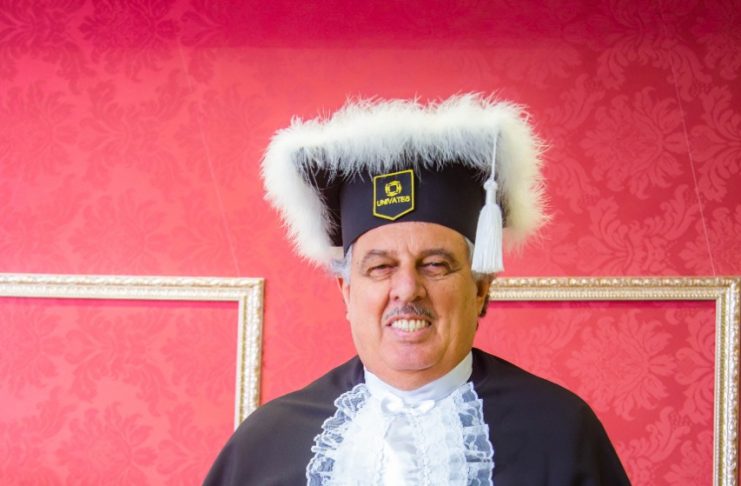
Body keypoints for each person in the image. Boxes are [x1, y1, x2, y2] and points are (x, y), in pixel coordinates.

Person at [204, 94, 631, 485]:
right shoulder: (267, 443)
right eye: (380, 268)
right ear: (346, 292)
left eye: (435, 265)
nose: (407, 290)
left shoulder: (560, 431)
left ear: (480, 288)